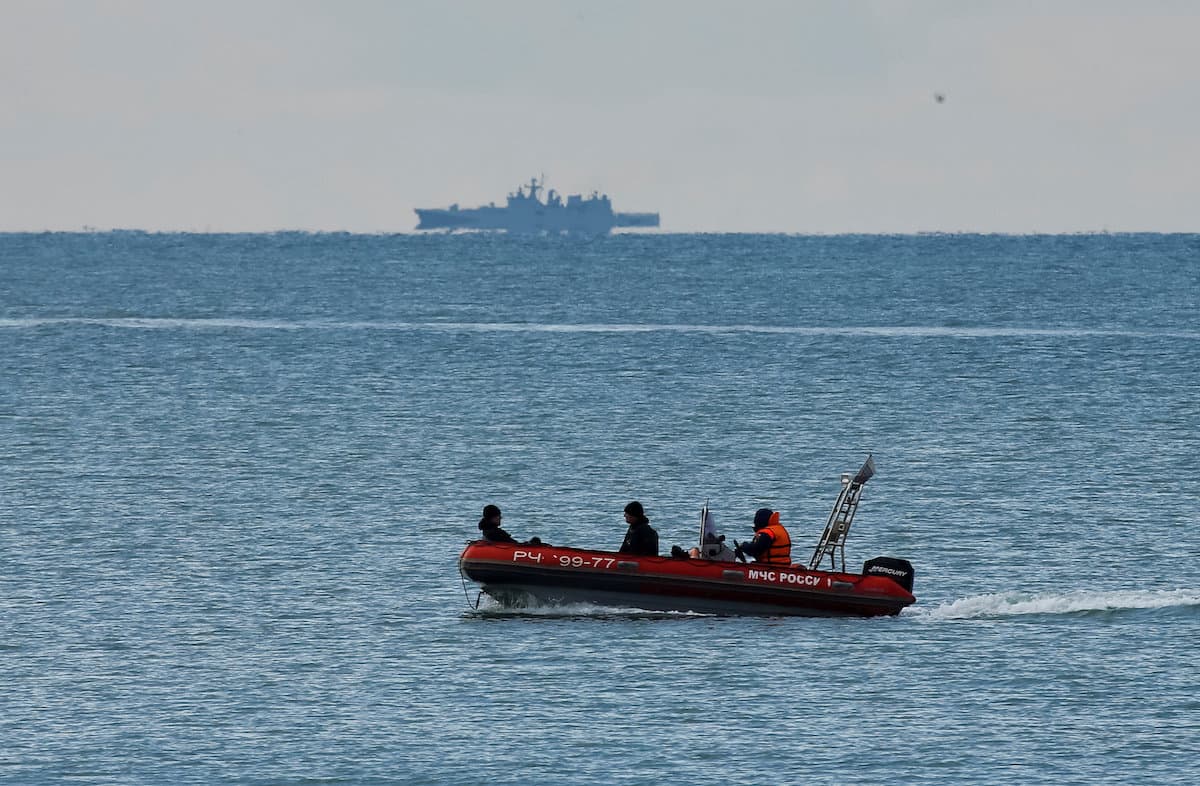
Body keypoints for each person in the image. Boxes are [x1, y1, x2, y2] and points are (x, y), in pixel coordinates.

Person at [477, 504, 543, 546]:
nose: (500, 518)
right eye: (498, 516)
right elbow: (513, 544)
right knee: (536, 540)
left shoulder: (487, 531)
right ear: (492, 518)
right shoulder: (495, 533)